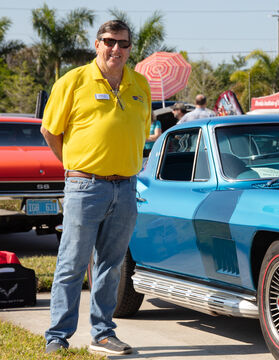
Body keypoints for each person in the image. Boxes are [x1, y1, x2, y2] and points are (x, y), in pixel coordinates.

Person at [40, 19, 150, 355]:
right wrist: (76, 167)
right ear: (97, 43)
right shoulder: (73, 82)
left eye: (124, 43)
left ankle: (103, 333)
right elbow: (50, 131)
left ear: (131, 48)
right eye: (109, 41)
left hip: (127, 189)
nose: (116, 49)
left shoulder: (140, 84)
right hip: (85, 187)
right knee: (72, 263)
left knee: (111, 265)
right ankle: (57, 336)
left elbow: (142, 132)